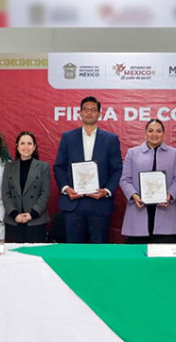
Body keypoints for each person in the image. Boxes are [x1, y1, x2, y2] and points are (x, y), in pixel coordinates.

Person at [53, 96, 122, 243]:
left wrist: (107, 190)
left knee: (99, 251)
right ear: (80, 113)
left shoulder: (110, 139)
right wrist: (66, 188)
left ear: (99, 114)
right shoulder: (68, 138)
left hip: (100, 204)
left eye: (93, 110)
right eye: (85, 109)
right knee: (73, 250)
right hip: (73, 203)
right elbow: (59, 166)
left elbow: (117, 169)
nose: (89, 112)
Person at [119, 119, 176, 243]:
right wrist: (134, 196)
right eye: (150, 131)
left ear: (164, 134)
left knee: (164, 254)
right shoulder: (132, 153)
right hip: (138, 210)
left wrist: (169, 196)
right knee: (137, 253)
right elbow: (125, 179)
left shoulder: (173, 153)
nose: (154, 134)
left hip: (165, 212)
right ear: (145, 133)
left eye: (158, 131)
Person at [1, 131, 50, 243]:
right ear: (17, 147)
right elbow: (5, 193)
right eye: (22, 143)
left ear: (34, 147)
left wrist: (32, 214)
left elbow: (45, 193)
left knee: (35, 254)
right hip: (14, 220)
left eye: (29, 143)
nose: (26, 147)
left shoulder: (43, 167)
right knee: (13, 253)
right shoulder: (9, 166)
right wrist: (14, 214)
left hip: (36, 221)